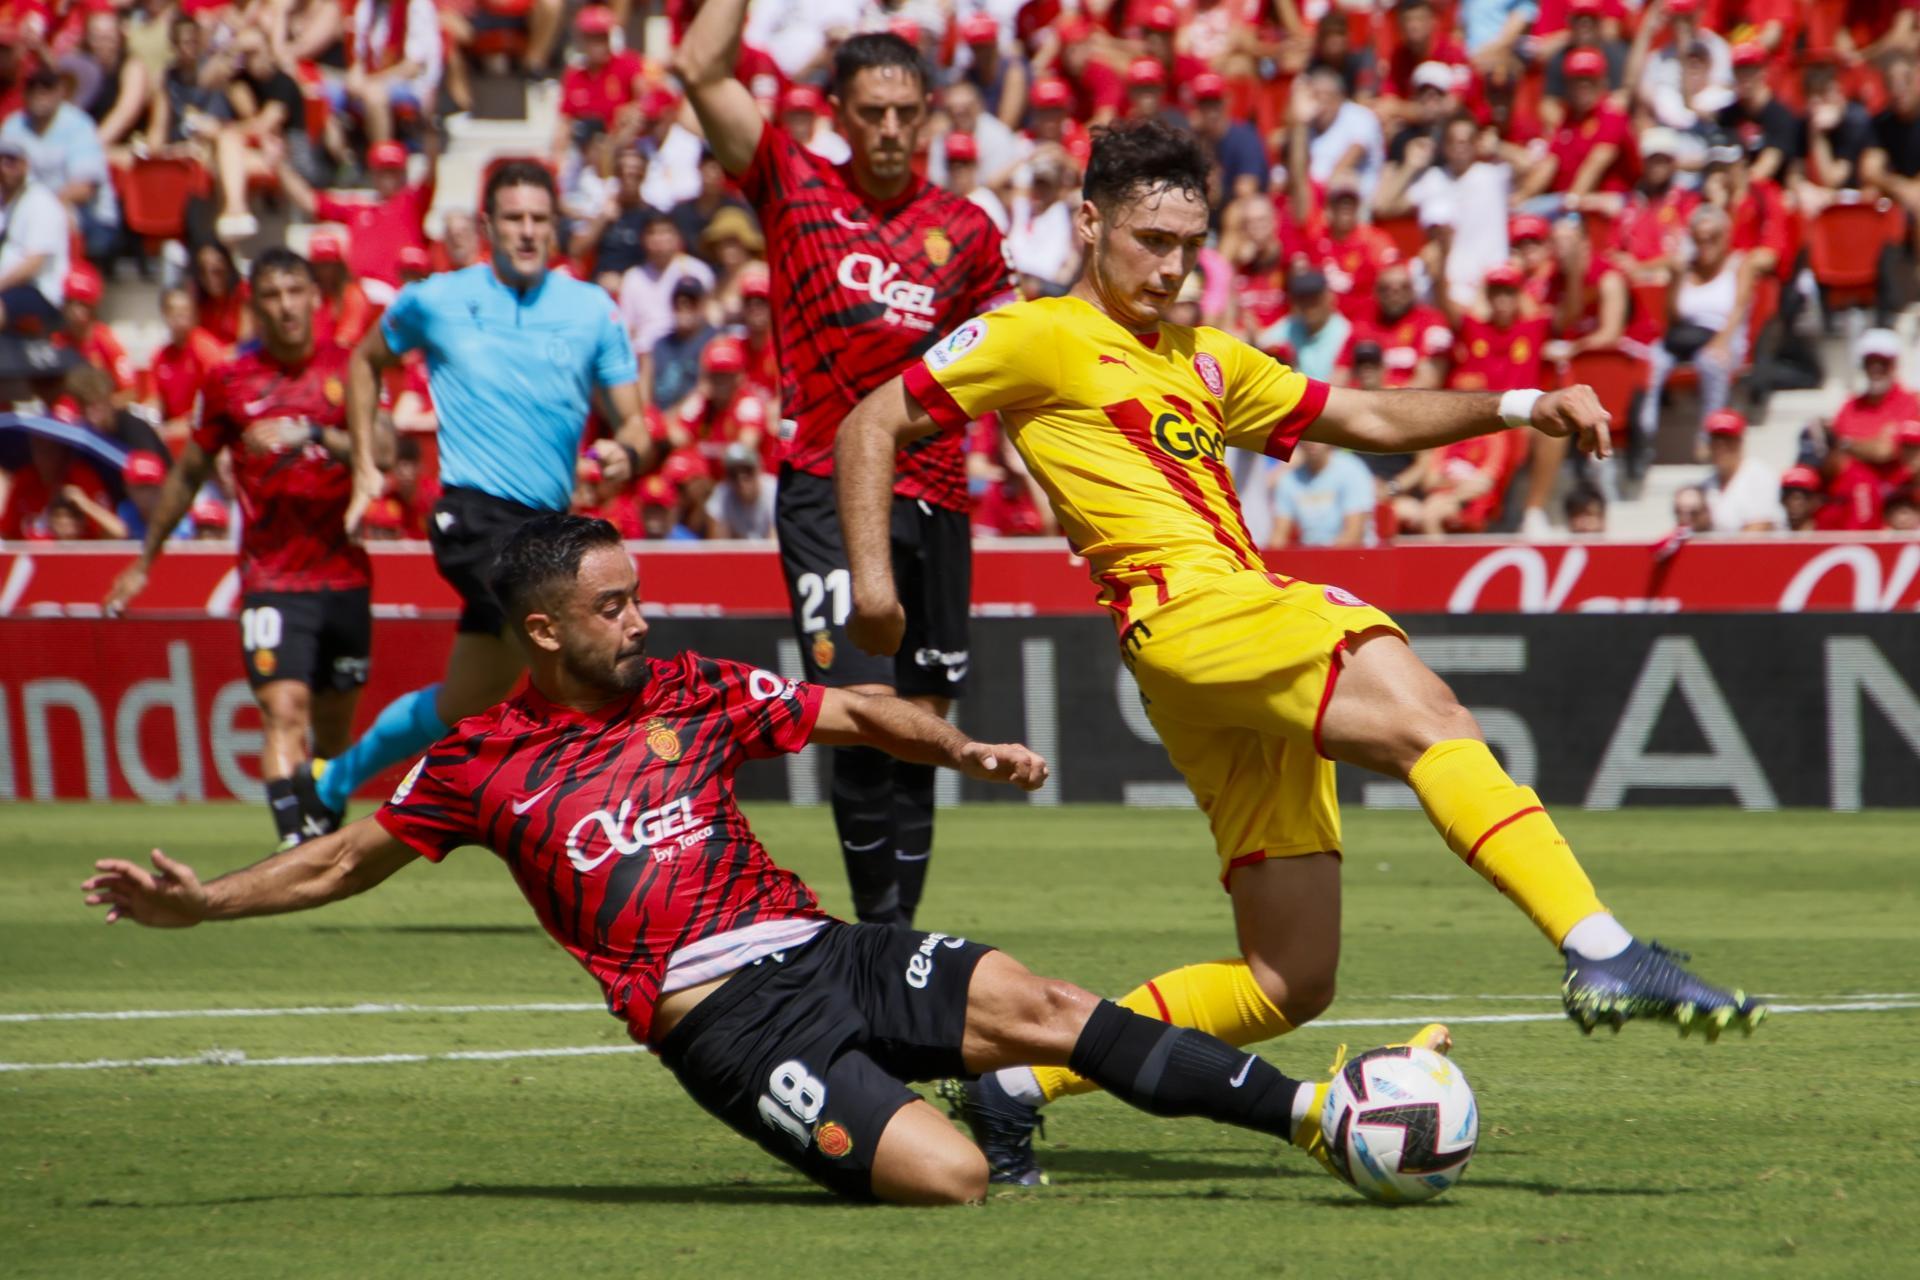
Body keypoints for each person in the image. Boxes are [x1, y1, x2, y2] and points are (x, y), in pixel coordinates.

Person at [833, 121, 1764, 1186]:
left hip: (1195, 654)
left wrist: (1520, 404)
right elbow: (870, 421)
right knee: (1434, 719)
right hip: (1198, 609)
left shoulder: (1206, 357)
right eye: (1149, 238)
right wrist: (874, 583)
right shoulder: (1037, 334)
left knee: (1288, 978)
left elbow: (1362, 411)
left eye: (1190, 242)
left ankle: (1015, 1083)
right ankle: (1600, 947)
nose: (1173, 266)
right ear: (1088, 222)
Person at [82, 511, 1445, 1205]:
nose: (643, 615)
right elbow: (340, 863)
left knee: (1044, 1004)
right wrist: (202, 906)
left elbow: (845, 707)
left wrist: (956, 749)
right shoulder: (478, 765)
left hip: (822, 950)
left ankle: (1318, 1121)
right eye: (614, 605)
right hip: (726, 1026)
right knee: (951, 1182)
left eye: (638, 595)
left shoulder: (687, 687)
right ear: (546, 633)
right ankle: (961, 1119)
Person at [677, 13, 1012, 929]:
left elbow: (1015, 372)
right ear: (839, 115)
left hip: (938, 492)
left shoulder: (969, 232)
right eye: (873, 113)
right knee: (863, 710)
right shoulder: (792, 184)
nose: (892, 129)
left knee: (927, 719)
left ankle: (901, 942)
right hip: (827, 488)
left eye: (907, 111)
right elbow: (698, 66)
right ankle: (881, 940)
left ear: (931, 113)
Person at [307, 161, 655, 823]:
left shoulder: (591, 312)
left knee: (460, 703)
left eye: (539, 219)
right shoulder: (436, 299)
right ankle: (589, 811)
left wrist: (623, 454)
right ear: (488, 226)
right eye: (514, 218)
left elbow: (636, 423)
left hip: (548, 529)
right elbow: (363, 360)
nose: (527, 231)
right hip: (470, 517)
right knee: (585, 642)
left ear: (557, 227)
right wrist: (363, 469)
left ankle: (329, 782)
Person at [104, 249, 380, 851]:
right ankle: (294, 849)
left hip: (344, 576)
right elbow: (187, 473)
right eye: (272, 295)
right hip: (272, 578)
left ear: (316, 298)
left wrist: (312, 434)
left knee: (333, 734)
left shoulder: (348, 368)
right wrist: (147, 558)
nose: (286, 305)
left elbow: (380, 448)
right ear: (254, 307)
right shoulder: (229, 381)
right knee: (285, 711)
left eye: (295, 291)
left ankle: (317, 842)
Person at [0, 136, 69, 336]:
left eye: (11, 161)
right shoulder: (5, 204)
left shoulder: (41, 203)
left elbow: (33, 264)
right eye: (0, 160)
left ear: (25, 165)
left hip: (39, 291)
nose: (4, 168)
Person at [1269, 439, 1376, 548]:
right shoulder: (1289, 479)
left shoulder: (1352, 469)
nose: (1312, 442)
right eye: (1307, 437)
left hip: (1351, 557)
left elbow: (1354, 533)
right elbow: (1278, 535)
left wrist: (1321, 560)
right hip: (1310, 556)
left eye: (1318, 436)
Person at [1699, 410, 1783, 532]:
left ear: (1740, 441)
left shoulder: (1760, 476)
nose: (1721, 446)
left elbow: (1759, 528)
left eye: (1727, 439)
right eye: (1716, 439)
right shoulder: (1706, 483)